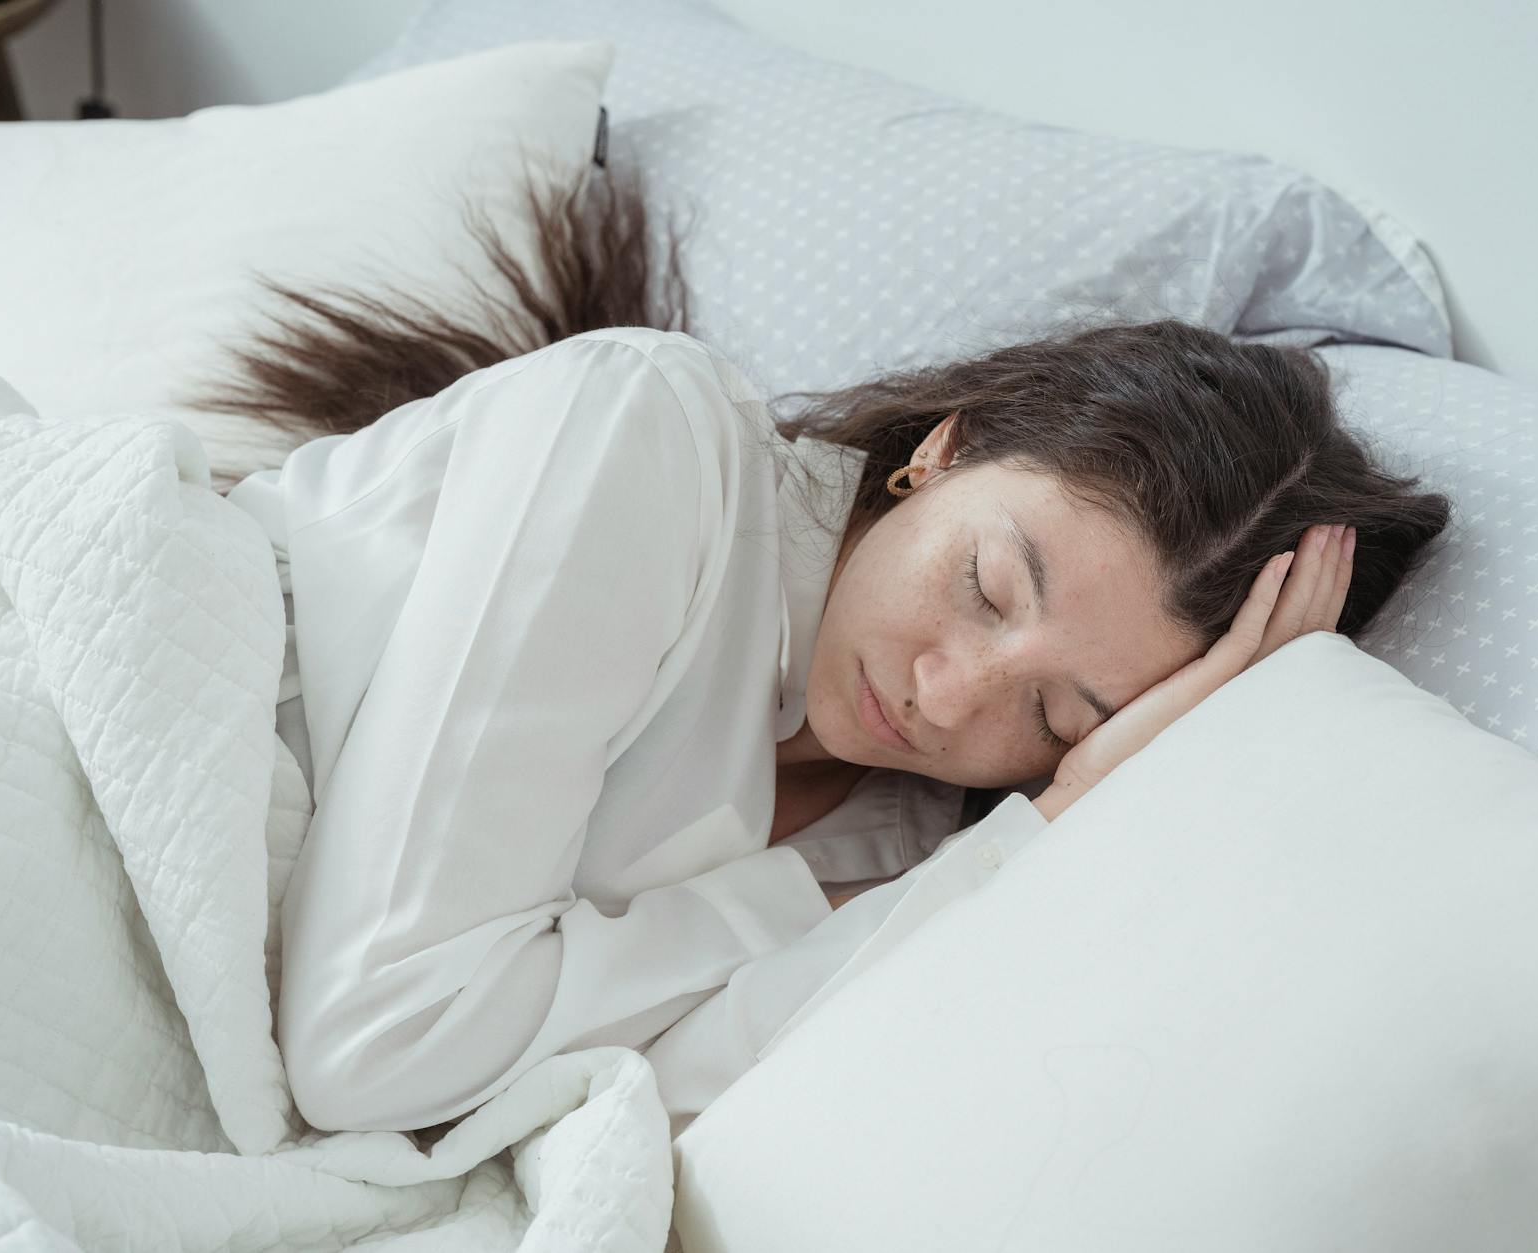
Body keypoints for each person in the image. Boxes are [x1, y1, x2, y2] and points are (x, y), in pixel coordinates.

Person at [205, 161, 1450, 1139]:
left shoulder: (913, 851)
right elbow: (373, 1046)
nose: (948, 695)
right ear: (945, 448)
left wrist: (1060, 816)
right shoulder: (647, 440)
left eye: (1062, 717)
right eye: (983, 583)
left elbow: (620, 1116)